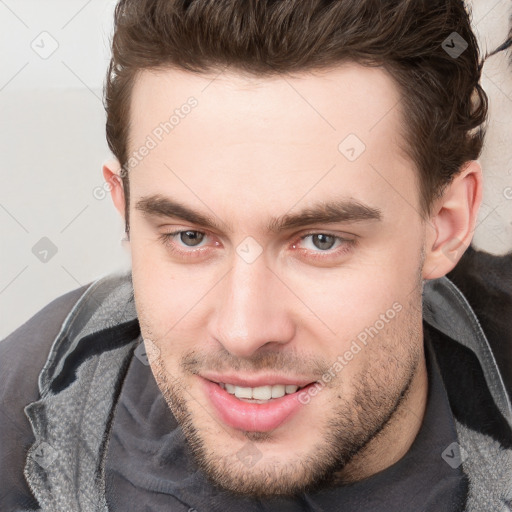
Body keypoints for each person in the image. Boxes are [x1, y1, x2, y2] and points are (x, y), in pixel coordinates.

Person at [1, 1, 511, 511]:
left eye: (320, 241)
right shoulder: (26, 412)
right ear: (126, 214)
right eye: (190, 237)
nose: (244, 332)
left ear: (446, 225)